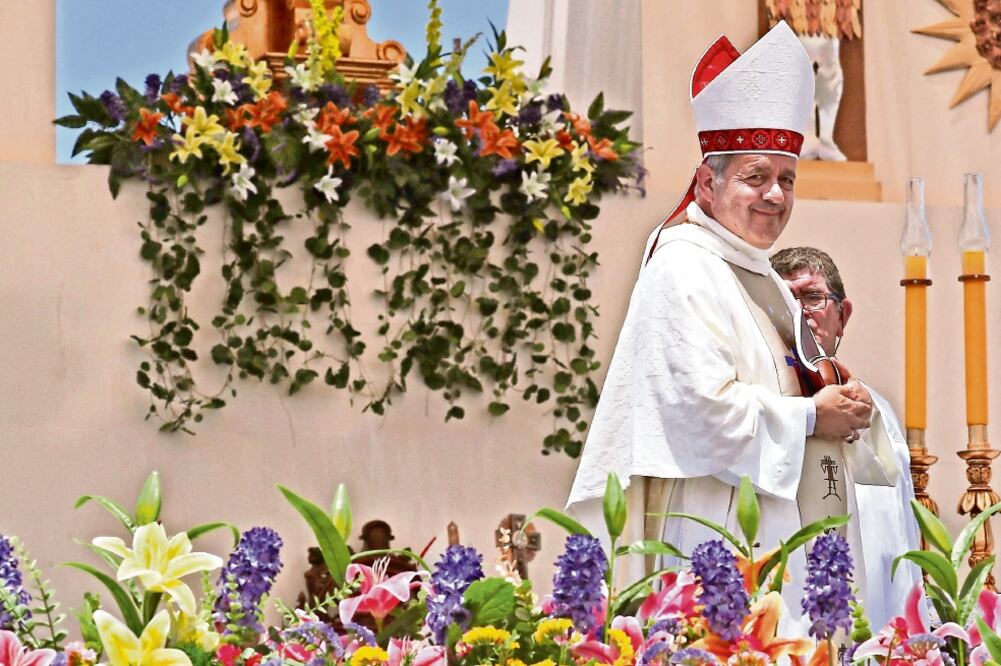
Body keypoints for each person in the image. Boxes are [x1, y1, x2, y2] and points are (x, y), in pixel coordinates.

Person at [565, 22, 881, 633]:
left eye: (787, 179)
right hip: (716, 528)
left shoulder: (758, 272)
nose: (775, 195)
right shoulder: (683, 266)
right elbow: (699, 411)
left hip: (785, 525)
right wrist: (812, 417)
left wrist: (842, 399)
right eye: (755, 177)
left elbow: (798, 379)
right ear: (708, 185)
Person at [771, 246, 922, 630]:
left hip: (874, 620)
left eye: (813, 297)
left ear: (843, 316)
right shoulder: (762, 404)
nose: (800, 311)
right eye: (786, 299)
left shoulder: (878, 408)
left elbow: (899, 528)